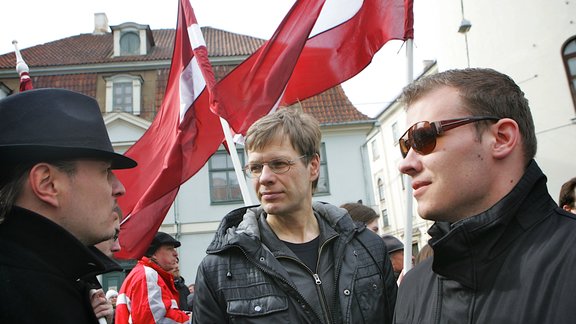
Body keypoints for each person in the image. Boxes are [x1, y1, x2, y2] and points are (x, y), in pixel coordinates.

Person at [393, 68, 576, 323]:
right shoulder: (413, 288)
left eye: (423, 137)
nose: (405, 164)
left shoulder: (568, 259)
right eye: (405, 146)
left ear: (501, 138)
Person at [192, 108, 397, 323]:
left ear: (313, 166)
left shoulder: (367, 248)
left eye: (279, 164)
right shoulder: (219, 269)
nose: (264, 178)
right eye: (255, 167)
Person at [0, 88, 136, 324]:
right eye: (105, 171)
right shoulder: (26, 295)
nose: (119, 188)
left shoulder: (55, 279)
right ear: (48, 183)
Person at [116, 232, 190, 323]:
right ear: (154, 254)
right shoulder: (147, 275)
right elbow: (155, 320)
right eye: (170, 249)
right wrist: (191, 319)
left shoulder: (142, 273)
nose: (175, 253)